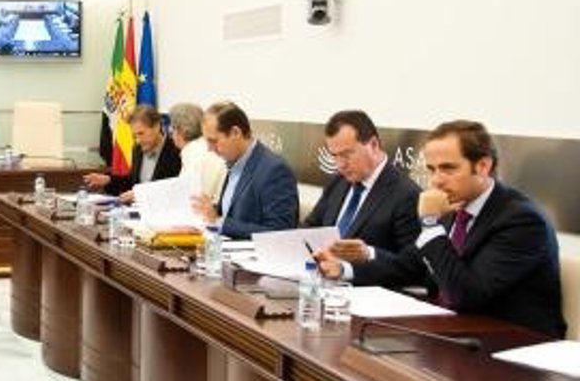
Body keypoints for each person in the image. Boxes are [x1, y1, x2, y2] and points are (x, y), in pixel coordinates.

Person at [317, 120, 565, 338]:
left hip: (512, 341)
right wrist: (345, 269)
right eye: (432, 169)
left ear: (482, 166)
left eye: (448, 168)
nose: (436, 180)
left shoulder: (522, 220)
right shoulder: (453, 205)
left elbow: (467, 295)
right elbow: (410, 266)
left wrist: (429, 223)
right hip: (455, 331)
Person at [303, 110, 420, 271]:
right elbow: (310, 227)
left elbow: (412, 266)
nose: (340, 165)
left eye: (346, 154)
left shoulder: (407, 195)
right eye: (335, 156)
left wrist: (368, 254)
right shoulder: (338, 182)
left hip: (366, 284)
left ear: (373, 145)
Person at [190, 101, 298, 239]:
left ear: (236, 133)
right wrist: (206, 212)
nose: (210, 149)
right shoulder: (233, 162)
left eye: (214, 141)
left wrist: (218, 221)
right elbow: (232, 213)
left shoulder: (274, 170)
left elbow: (279, 233)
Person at [83, 104, 181, 202]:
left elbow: (174, 189)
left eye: (141, 133)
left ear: (156, 126)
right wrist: (108, 180)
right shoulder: (137, 149)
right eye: (134, 136)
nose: (138, 140)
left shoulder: (176, 151)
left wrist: (140, 194)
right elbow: (132, 183)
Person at [167, 102, 226, 201]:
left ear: (181, 130)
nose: (170, 133)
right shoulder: (200, 148)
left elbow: (191, 200)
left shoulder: (195, 156)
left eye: (171, 128)